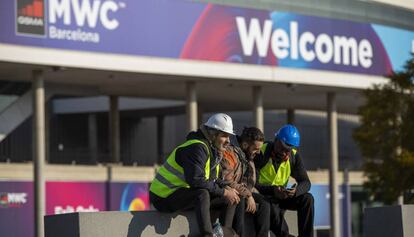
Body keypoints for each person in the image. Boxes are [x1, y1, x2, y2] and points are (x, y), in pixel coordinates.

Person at [149, 113, 240, 237]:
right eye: (224, 136)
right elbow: (196, 181)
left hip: (182, 193)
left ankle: (221, 233)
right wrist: (223, 192)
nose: (228, 141)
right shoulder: (196, 148)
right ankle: (207, 235)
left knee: (231, 198)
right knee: (202, 193)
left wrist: (228, 190)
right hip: (163, 197)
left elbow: (213, 180)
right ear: (213, 134)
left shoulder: (212, 150)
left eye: (229, 136)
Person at [254, 124, 314, 237]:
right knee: (281, 229)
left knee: (308, 199)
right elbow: (253, 184)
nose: (284, 152)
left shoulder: (294, 157)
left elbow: (306, 182)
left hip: (282, 197)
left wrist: (295, 191)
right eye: (282, 147)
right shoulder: (261, 152)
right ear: (276, 139)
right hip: (265, 198)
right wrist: (273, 190)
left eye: (288, 150)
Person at [219, 127, 270, 237]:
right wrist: (248, 195)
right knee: (240, 200)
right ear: (245, 145)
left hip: (243, 191)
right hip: (230, 191)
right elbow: (227, 181)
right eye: (256, 149)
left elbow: (251, 182)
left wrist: (249, 194)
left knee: (264, 203)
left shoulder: (249, 156)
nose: (258, 152)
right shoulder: (229, 153)